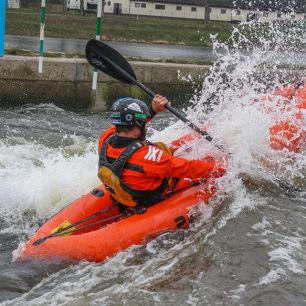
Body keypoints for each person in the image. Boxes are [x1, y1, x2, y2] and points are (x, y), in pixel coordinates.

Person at [97, 95, 225, 210]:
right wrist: (223, 167)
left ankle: (209, 127)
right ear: (137, 123)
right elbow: (188, 168)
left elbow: (128, 121)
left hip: (129, 185)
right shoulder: (148, 157)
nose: (146, 125)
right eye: (144, 123)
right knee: (204, 161)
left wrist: (152, 110)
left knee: (178, 145)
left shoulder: (106, 138)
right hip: (149, 196)